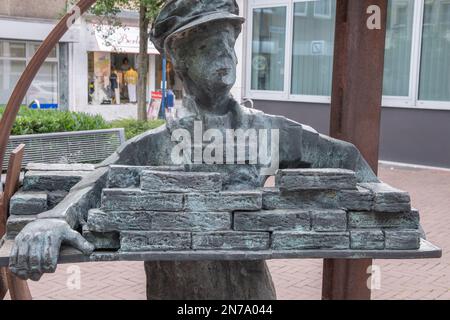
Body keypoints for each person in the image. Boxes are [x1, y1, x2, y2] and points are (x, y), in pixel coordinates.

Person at [9, 0, 379, 299]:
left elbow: (349, 162)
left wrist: (375, 207)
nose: (224, 54)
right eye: (206, 46)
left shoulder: (269, 131)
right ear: (179, 60)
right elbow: (95, 181)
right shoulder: (156, 145)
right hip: (174, 292)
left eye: (226, 43)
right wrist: (53, 220)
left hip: (249, 297)